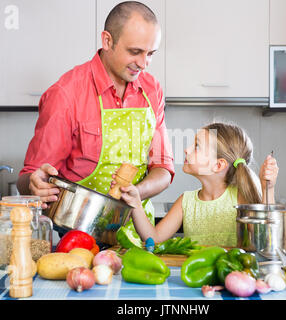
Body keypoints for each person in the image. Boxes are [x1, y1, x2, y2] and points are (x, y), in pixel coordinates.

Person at [17, 2, 174, 231]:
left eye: (150, 53)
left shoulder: (152, 90)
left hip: (139, 235)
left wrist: (134, 194)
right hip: (76, 235)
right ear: (107, 41)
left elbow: (162, 168)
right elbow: (28, 179)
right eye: (135, 52)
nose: (143, 63)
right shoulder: (66, 94)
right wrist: (34, 184)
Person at [114, 121, 279, 247]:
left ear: (218, 165)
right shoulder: (185, 202)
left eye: (197, 146)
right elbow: (154, 239)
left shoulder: (240, 200)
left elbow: (265, 241)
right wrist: (135, 203)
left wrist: (268, 190)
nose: (187, 149)